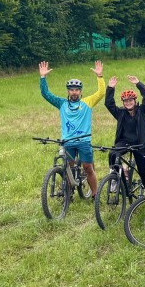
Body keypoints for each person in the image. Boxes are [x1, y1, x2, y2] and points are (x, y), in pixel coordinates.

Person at [39, 60, 105, 195]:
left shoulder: (87, 102)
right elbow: (46, 94)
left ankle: (94, 194)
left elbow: (101, 92)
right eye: (71, 90)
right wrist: (43, 78)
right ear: (68, 91)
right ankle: (69, 193)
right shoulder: (61, 103)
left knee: (88, 167)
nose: (74, 92)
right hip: (67, 141)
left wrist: (100, 77)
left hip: (83, 141)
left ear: (80, 91)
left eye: (76, 90)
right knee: (68, 168)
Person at [104, 75, 145, 195]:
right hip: (125, 141)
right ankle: (119, 177)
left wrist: (138, 84)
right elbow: (108, 103)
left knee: (143, 171)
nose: (128, 103)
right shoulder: (120, 113)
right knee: (112, 154)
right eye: (125, 101)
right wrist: (110, 88)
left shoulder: (142, 111)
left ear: (135, 101)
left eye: (130, 100)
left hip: (140, 143)